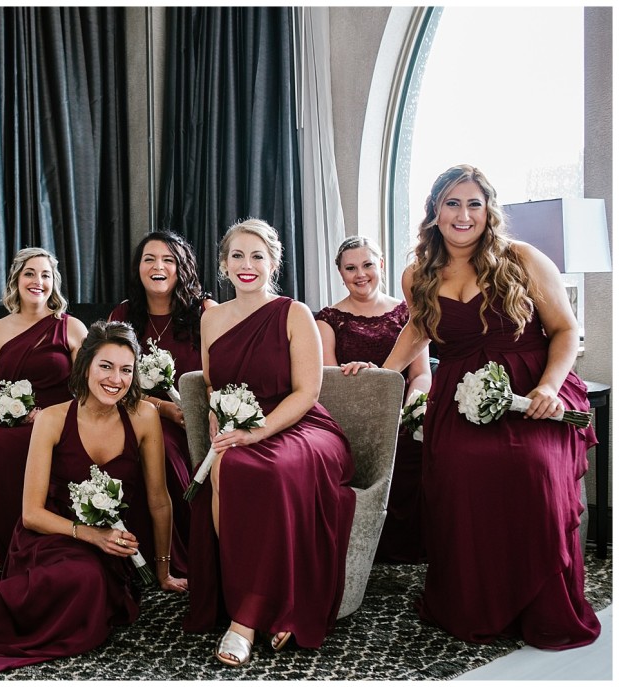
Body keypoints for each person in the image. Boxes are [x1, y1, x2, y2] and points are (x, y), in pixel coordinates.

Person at [0, 320, 188, 672]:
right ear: (85, 366)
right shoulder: (53, 419)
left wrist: (162, 571)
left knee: (91, 583)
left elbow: (159, 500)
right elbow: (31, 514)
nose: (115, 379)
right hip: (49, 537)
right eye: (105, 366)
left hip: (112, 545)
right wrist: (90, 535)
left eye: (126, 370)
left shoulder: (144, 416)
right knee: (81, 579)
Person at [378, 164, 599, 649]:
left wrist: (547, 388)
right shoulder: (417, 272)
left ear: (488, 210)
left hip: (531, 389)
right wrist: (381, 374)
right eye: (452, 203)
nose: (463, 214)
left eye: (473, 203)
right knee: (459, 478)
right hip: (458, 394)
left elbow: (565, 330)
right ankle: (478, 604)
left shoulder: (521, 258)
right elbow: (418, 328)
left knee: (532, 471)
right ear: (435, 211)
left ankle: (539, 605)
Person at [185, 218, 356, 667]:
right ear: (223, 264)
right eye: (237, 256)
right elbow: (211, 391)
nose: (247, 265)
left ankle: (244, 619)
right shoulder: (211, 320)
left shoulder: (295, 312)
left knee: (273, 470)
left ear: (272, 262)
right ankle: (256, 600)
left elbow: (307, 392)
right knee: (230, 467)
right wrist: (219, 436)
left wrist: (257, 431)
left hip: (301, 427)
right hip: (238, 429)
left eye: (257, 256)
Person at [315, 236, 431, 563]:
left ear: (381, 265)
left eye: (367, 265)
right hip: (349, 415)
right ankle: (360, 547)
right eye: (351, 268)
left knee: (416, 445)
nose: (360, 274)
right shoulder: (327, 319)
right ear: (340, 273)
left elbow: (421, 374)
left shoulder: (407, 314)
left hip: (402, 411)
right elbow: (329, 377)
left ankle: (414, 546)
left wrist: (408, 410)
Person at [109, 230, 216, 576]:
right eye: (149, 259)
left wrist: (205, 411)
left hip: (200, 418)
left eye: (168, 259)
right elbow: (114, 384)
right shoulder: (123, 314)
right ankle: (152, 556)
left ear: (182, 267)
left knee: (178, 452)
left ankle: (193, 552)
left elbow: (222, 372)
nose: (158, 266)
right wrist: (164, 407)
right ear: (138, 268)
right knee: (152, 449)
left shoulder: (205, 311)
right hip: (141, 415)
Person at [0, 247, 88, 567]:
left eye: (45, 275)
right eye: (30, 273)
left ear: (55, 283)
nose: (37, 280)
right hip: (14, 424)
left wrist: (55, 418)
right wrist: (14, 418)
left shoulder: (72, 327)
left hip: (63, 421)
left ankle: (58, 538)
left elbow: (86, 389)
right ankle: (3, 539)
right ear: (16, 279)